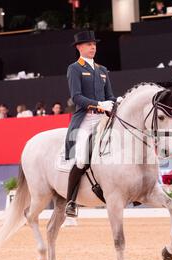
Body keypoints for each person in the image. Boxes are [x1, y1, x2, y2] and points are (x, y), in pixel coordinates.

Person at [64, 30, 116, 218]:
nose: (93, 47)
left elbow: (109, 95)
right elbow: (76, 97)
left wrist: (113, 102)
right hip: (86, 118)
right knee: (81, 158)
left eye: (94, 44)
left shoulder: (102, 70)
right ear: (79, 47)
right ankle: (70, 201)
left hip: (104, 118)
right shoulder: (75, 68)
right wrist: (98, 104)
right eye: (88, 44)